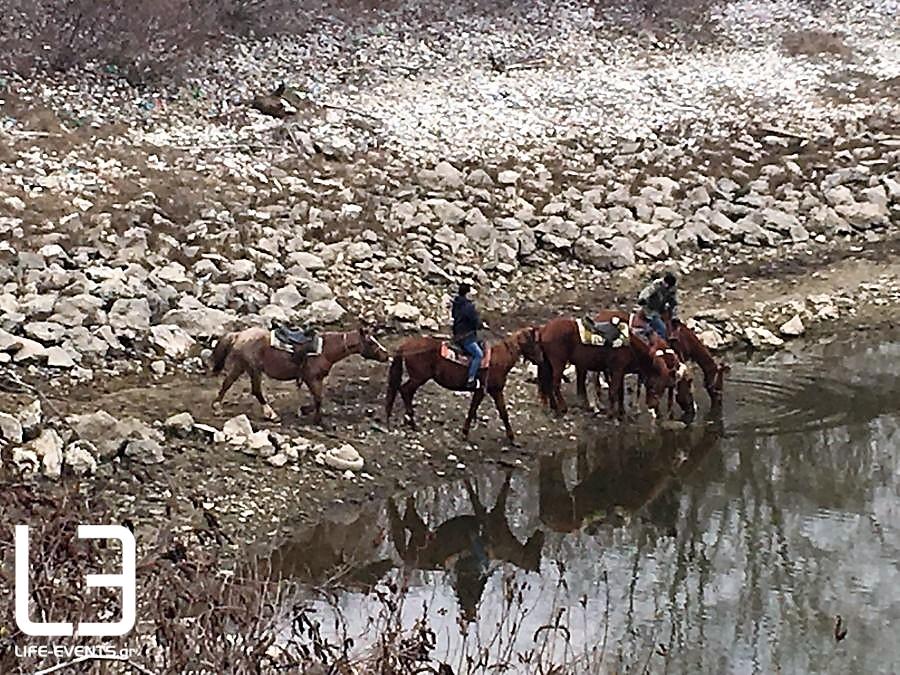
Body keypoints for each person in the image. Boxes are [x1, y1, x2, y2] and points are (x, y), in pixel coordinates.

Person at [451, 282, 488, 389]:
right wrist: (481, 325)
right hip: (466, 337)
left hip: (457, 333)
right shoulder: (468, 306)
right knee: (479, 354)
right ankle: (471, 379)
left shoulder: (456, 303)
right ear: (467, 293)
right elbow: (474, 321)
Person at [637, 272, 678, 340]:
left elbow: (674, 301)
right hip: (650, 310)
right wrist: (642, 299)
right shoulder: (657, 285)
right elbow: (648, 291)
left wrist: (674, 314)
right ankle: (659, 343)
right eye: (666, 284)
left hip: (661, 309)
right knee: (662, 328)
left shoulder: (672, 289)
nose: (667, 286)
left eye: (669, 286)